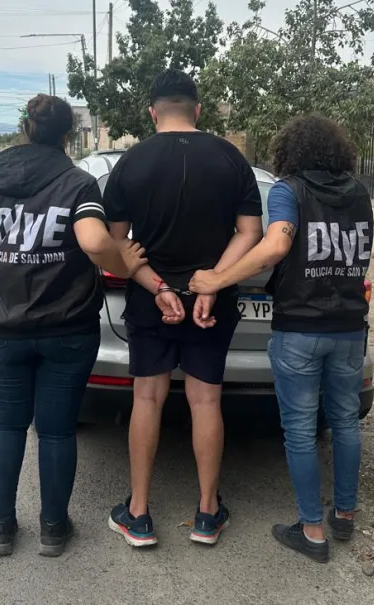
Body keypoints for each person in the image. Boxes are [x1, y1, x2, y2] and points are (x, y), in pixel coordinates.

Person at [190, 115, 374, 563]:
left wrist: (216, 279)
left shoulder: (289, 191)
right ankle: (344, 515)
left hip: (301, 329)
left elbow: (275, 246)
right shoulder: (359, 191)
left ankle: (311, 531)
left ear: (289, 153)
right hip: (350, 327)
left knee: (300, 430)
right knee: (346, 422)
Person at [0, 94, 147, 558]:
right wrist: (124, 262)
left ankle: (0, 528)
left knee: (7, 425)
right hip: (66, 328)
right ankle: (53, 528)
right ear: (68, 136)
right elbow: (94, 241)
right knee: (55, 430)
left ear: (27, 128)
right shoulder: (77, 183)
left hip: (3, 326)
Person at [103, 69, 264, 547]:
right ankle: (207, 514)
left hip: (150, 300)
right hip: (211, 303)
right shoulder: (231, 158)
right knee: (206, 401)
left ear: (152, 113)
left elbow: (117, 245)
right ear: (198, 109)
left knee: (147, 399)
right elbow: (250, 232)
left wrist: (157, 287)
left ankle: (138, 515)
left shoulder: (130, 162)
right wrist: (213, 282)